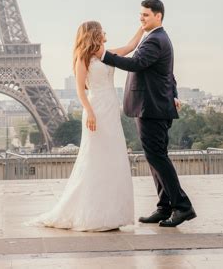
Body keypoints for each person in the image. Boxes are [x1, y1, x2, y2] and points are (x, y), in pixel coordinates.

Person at [27, 21, 142, 231]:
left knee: (113, 160)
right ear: (93, 33)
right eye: (100, 30)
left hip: (110, 110)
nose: (104, 32)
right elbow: (80, 90)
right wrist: (89, 111)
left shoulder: (106, 54)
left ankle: (111, 213)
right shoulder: (83, 57)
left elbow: (130, 47)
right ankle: (95, 213)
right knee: (95, 159)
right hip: (96, 109)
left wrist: (143, 27)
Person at [96, 0, 197, 228]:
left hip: (151, 107)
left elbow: (136, 63)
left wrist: (104, 55)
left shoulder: (155, 40)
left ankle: (182, 206)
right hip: (154, 105)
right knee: (155, 157)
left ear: (158, 16)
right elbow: (167, 74)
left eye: (146, 15)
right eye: (140, 15)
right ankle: (164, 206)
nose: (141, 18)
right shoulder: (156, 37)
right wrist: (174, 93)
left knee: (157, 157)